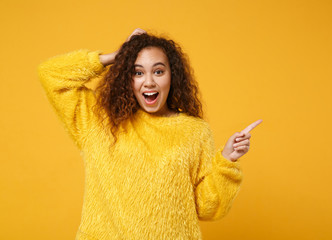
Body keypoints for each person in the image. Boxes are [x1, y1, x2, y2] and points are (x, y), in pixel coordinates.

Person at [38, 28, 262, 240]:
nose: (149, 82)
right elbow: (50, 75)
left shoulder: (195, 132)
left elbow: (208, 209)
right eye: (137, 72)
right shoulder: (99, 121)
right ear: (126, 76)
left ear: (172, 76)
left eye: (158, 71)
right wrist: (113, 57)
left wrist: (227, 160)